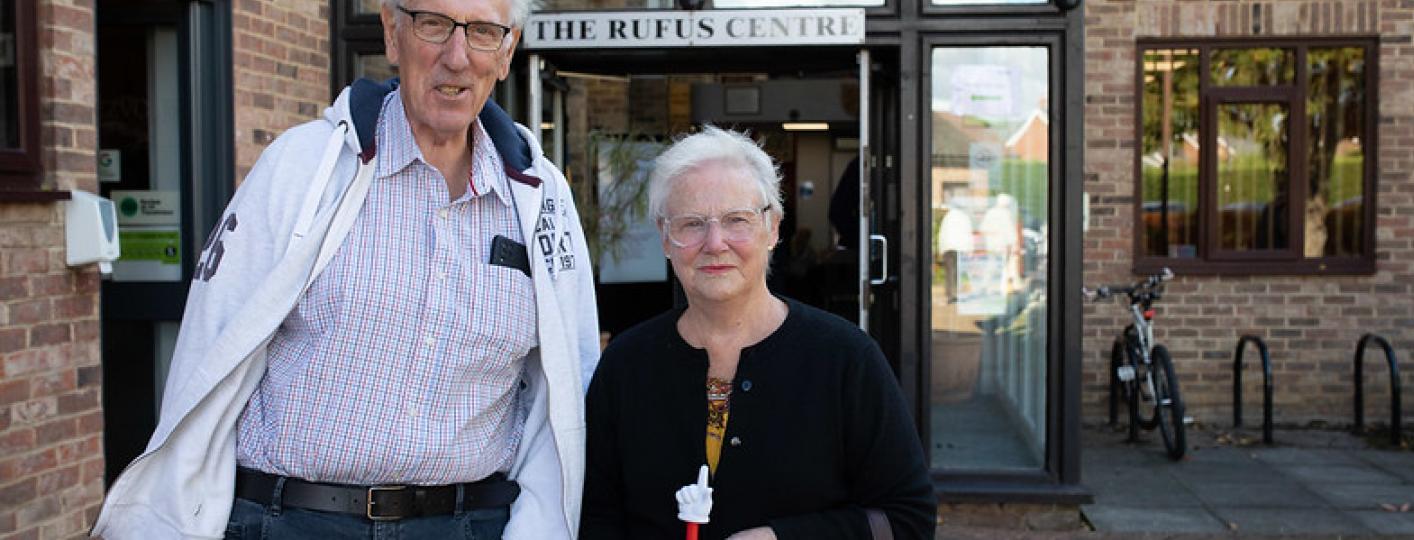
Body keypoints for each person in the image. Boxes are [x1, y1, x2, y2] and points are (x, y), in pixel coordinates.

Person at [92, 0, 599, 538]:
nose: (457, 57)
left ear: (506, 51)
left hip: (467, 523)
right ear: (391, 32)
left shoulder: (541, 199)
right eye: (433, 24)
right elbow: (208, 352)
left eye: (481, 32)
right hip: (290, 521)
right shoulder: (304, 167)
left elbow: (565, 382)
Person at [581, 127, 935, 540]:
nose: (715, 243)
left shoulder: (845, 359)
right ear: (665, 237)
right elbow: (596, 518)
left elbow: (909, 519)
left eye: (737, 220)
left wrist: (781, 538)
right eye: (692, 224)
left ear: (773, 229)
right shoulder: (626, 365)